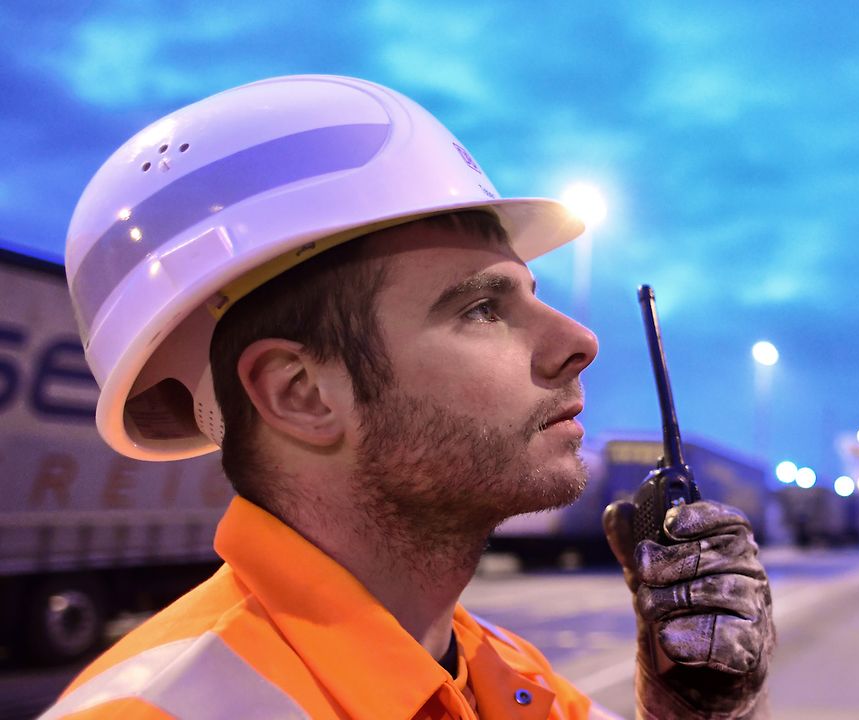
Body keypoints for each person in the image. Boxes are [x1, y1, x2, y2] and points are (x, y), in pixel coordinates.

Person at [42, 75, 773, 719]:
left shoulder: (504, 679)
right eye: (483, 308)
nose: (579, 340)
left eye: (532, 295)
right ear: (302, 394)